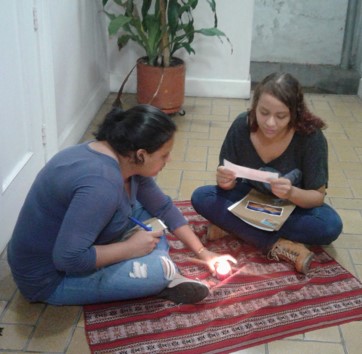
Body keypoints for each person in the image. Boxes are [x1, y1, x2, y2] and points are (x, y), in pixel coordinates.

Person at [7, 104, 236, 306]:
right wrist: (131, 248)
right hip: (50, 278)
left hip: (79, 240)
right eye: (164, 155)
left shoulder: (121, 156)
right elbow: (67, 258)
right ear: (141, 154)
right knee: (159, 271)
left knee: (151, 216)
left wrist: (204, 253)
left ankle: (149, 261)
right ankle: (166, 275)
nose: (169, 160)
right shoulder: (101, 185)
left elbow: (163, 208)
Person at [191, 72, 343, 274]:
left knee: (329, 225)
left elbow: (317, 196)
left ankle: (236, 228)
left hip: (291, 207)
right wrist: (225, 182)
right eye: (263, 113)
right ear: (255, 108)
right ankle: (276, 245)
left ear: (294, 114)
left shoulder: (310, 137)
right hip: (251, 200)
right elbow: (227, 179)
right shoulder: (241, 126)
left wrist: (290, 193)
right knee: (202, 196)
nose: (270, 123)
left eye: (281, 116)